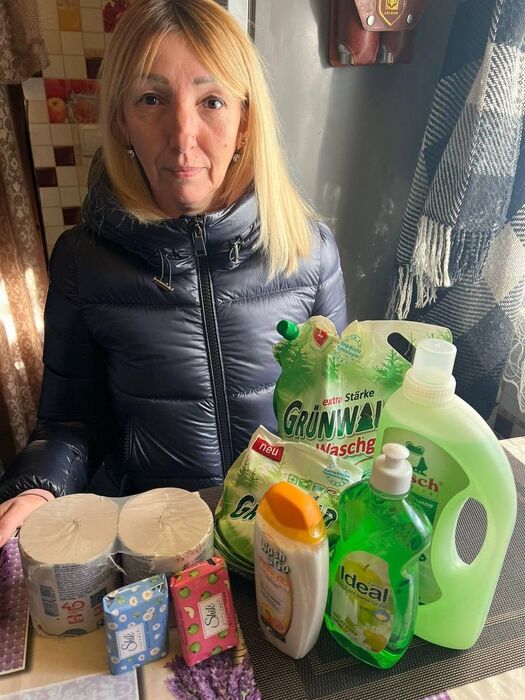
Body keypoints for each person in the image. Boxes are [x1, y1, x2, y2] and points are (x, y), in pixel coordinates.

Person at [0, 0, 346, 544]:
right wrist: (39, 489)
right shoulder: (82, 262)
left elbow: (335, 411)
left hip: (283, 540)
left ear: (245, 121)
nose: (183, 136)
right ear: (121, 120)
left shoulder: (310, 250)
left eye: (212, 101)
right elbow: (70, 423)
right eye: (151, 99)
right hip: (154, 543)